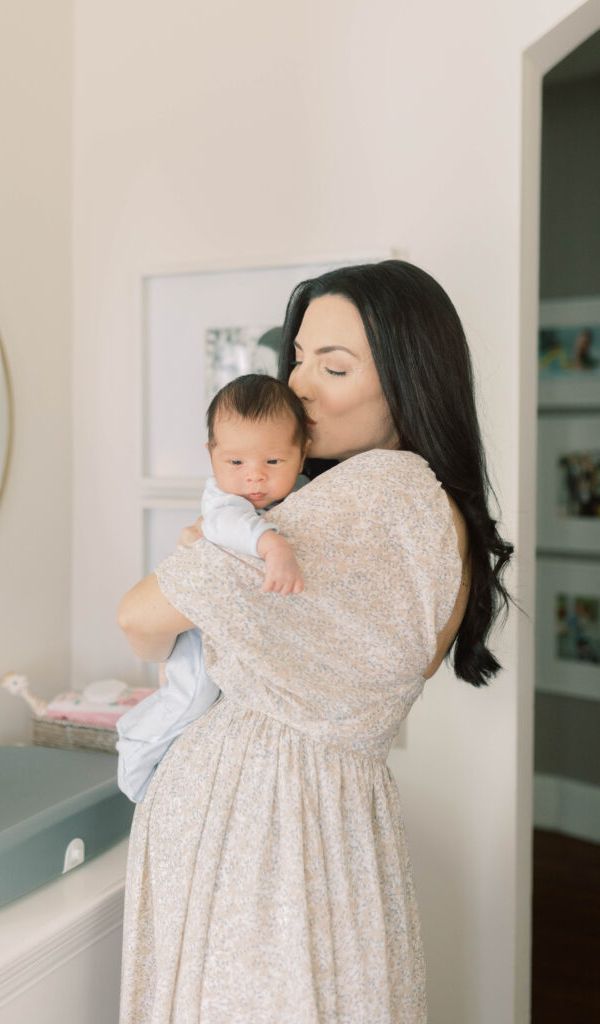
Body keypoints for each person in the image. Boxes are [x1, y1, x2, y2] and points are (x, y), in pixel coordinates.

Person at [117, 260, 514, 1023]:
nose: (299, 385)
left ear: (408, 380)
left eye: (333, 366)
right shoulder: (437, 513)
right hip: (335, 823)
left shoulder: (373, 493)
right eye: (297, 357)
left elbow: (138, 618)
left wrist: (216, 544)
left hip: (263, 831)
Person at [116, 374, 311, 803]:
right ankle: (135, 755)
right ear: (212, 456)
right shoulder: (225, 502)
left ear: (302, 453)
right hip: (198, 639)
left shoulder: (304, 497)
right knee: (190, 699)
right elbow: (228, 527)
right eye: (236, 463)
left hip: (235, 636)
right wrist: (272, 544)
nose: (254, 478)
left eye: (273, 463)